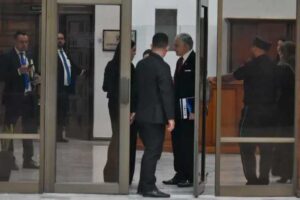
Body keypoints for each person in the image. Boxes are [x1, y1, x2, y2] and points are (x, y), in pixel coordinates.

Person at [211, 36, 279, 185]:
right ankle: (264, 178)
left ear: (255, 48)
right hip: (270, 113)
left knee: (246, 145)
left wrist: (215, 79)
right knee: (267, 147)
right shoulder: (274, 66)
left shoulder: (251, 65)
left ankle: (252, 178)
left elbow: (232, 77)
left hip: (252, 112)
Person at [135, 33, 175, 198]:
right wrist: (171, 117)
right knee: (153, 152)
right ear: (166, 49)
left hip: (141, 115)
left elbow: (135, 90)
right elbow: (166, 93)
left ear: (152, 45)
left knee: (149, 151)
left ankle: (142, 185)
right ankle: (148, 187)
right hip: (155, 117)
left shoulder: (140, 64)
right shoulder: (163, 67)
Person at [1, 31, 40, 169]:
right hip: (13, 98)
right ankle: (9, 160)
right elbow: (2, 76)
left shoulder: (30, 56)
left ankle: (28, 159)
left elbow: (34, 72)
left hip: (29, 97)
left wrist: (36, 78)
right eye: (22, 42)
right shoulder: (7, 57)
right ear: (15, 42)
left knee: (29, 129)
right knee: (9, 130)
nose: (24, 45)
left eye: (26, 42)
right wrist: (18, 71)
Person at [102, 41, 138, 184]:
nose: (135, 53)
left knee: (124, 139)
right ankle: (112, 174)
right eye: (133, 50)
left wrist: (133, 110)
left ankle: (124, 175)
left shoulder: (131, 67)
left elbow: (135, 91)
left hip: (128, 109)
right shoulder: (112, 66)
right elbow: (106, 87)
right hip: (117, 107)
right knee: (118, 138)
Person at [163, 33, 195, 187]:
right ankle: (180, 173)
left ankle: (189, 175)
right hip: (178, 106)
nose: (174, 48)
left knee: (187, 141)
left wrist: (192, 111)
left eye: (177, 45)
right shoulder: (179, 62)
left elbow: (196, 89)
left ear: (186, 46)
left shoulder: (196, 60)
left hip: (188, 106)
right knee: (177, 140)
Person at [274, 41, 295, 183]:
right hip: (293, 110)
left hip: (283, 111)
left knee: (284, 143)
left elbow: (277, 90)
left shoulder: (283, 67)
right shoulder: (294, 66)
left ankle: (285, 173)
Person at [57, 32, 84, 143]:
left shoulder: (65, 53)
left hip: (65, 89)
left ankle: (59, 135)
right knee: (57, 112)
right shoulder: (52, 53)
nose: (60, 40)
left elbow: (72, 67)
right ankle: (55, 135)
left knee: (63, 112)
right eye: (58, 38)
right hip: (57, 89)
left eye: (62, 38)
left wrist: (83, 72)